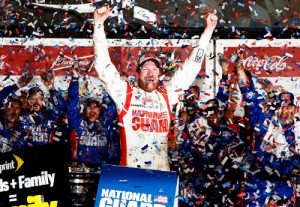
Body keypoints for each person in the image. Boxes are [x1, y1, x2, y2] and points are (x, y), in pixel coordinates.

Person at [93, 5, 218, 170]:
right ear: (137, 74)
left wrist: (208, 31)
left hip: (161, 181)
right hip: (130, 178)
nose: (150, 73)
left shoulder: (167, 95)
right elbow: (103, 67)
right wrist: (98, 25)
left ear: (160, 74)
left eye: (154, 69)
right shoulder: (126, 94)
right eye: (145, 69)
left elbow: (190, 69)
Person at [236, 56, 300, 206]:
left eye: (289, 107)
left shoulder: (298, 130)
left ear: (296, 109)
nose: (286, 112)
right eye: (282, 107)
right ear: (277, 109)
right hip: (258, 181)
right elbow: (247, 94)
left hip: (284, 183)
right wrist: (239, 68)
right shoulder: (263, 120)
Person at [67, 68, 119, 167]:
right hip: (79, 170)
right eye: (89, 108)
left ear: (101, 110)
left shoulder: (106, 123)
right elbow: (72, 105)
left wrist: (108, 81)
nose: (92, 111)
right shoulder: (77, 123)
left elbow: (113, 104)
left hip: (102, 172)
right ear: (84, 110)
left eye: (95, 108)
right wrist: (74, 80)